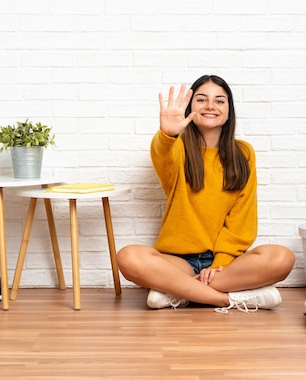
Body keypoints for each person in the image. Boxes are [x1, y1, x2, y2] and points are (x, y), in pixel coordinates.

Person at [116, 75, 295, 313]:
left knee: (282, 257)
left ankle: (177, 292)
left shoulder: (244, 153)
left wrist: (220, 264)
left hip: (227, 265)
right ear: (191, 108)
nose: (210, 106)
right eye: (202, 99)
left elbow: (242, 217)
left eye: (219, 101)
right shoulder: (176, 147)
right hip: (178, 262)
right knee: (129, 257)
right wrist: (167, 134)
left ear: (229, 111)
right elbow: (162, 156)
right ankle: (227, 299)